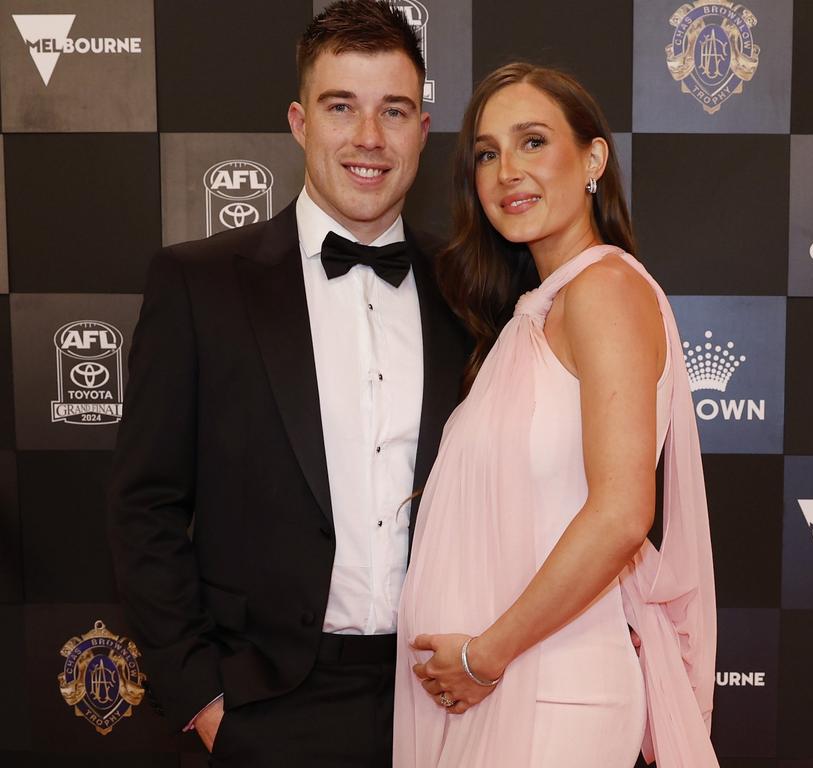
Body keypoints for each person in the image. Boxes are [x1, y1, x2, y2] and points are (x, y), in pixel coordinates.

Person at [107, 2, 471, 765]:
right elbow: (145, 505)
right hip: (266, 708)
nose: (369, 139)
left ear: (424, 129)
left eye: (393, 111)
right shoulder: (197, 284)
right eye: (342, 107)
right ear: (301, 122)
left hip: (443, 703)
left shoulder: (470, 294)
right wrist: (202, 698)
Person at [394, 63, 719, 767]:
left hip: (550, 695)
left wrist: (485, 655)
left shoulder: (603, 289)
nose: (507, 170)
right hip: (495, 689)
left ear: (593, 158)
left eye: (533, 142)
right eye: (487, 153)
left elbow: (622, 513)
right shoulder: (531, 313)